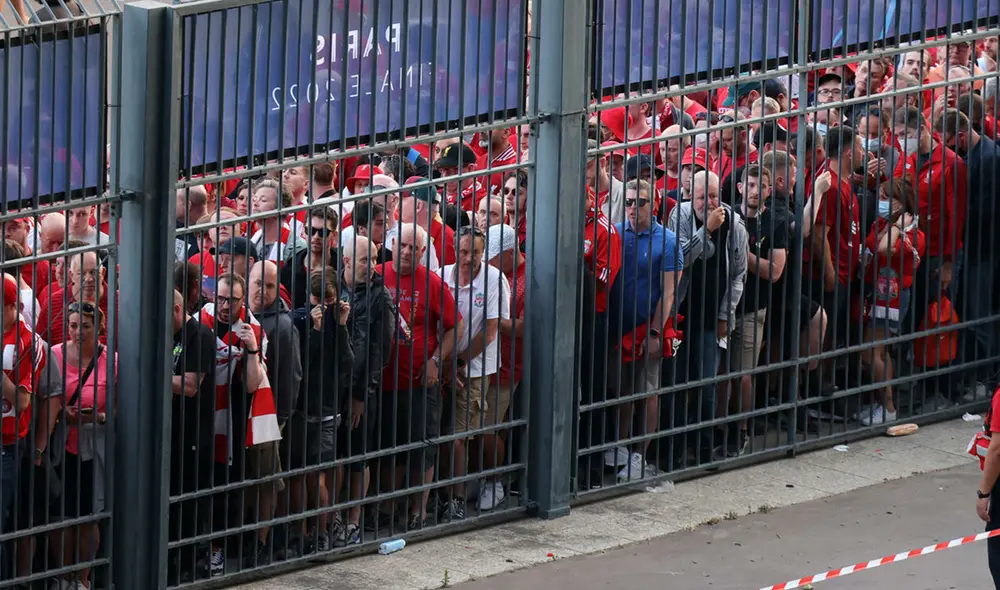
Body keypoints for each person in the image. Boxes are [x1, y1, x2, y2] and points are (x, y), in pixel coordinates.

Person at [378, 223, 462, 530]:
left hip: (420, 383)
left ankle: (419, 510)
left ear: (424, 252)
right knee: (387, 448)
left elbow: (456, 325)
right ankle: (387, 507)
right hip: (384, 382)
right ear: (392, 244)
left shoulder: (433, 283)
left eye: (414, 248)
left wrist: (436, 360)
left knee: (423, 447)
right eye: (402, 245)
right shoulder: (377, 274)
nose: (407, 252)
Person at [199, 273, 281, 573]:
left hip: (234, 420)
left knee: (228, 486)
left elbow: (251, 385)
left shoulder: (253, 329)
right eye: (220, 298)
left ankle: (218, 550)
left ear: (241, 300)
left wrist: (251, 350)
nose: (224, 305)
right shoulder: (201, 319)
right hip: (199, 414)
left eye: (231, 300)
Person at [667, 170, 747, 464]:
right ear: (691, 195)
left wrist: (727, 314)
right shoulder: (680, 214)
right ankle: (673, 452)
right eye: (703, 197)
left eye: (713, 196)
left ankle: (703, 451)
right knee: (675, 385)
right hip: (681, 314)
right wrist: (707, 231)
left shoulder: (735, 223)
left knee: (707, 386)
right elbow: (679, 257)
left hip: (712, 318)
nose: (709, 203)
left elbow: (739, 274)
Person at [607, 179, 681, 480]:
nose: (633, 208)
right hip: (617, 327)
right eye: (629, 202)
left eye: (641, 202)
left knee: (647, 392)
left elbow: (669, 292)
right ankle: (619, 447)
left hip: (647, 326)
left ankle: (640, 454)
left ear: (655, 205)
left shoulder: (668, 240)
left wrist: (654, 332)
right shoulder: (616, 233)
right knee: (620, 390)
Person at [439, 226, 509, 520]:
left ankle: (455, 498)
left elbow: (490, 331)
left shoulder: (494, 279)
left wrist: (458, 363)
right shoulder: (442, 274)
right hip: (442, 364)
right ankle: (440, 493)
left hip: (476, 368)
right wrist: (442, 363)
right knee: (439, 432)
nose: (469, 258)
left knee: (458, 435)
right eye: (464, 252)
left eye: (476, 253)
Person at [48, 302, 115, 590]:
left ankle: (83, 580)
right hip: (59, 446)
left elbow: (122, 408)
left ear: (98, 327)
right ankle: (63, 578)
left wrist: (98, 417)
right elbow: (44, 400)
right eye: (73, 326)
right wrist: (62, 414)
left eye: (84, 326)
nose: (77, 332)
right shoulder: (54, 355)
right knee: (59, 517)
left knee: (90, 517)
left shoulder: (110, 360)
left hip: (94, 448)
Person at [286, 268, 353, 553]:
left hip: (328, 409)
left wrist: (340, 325)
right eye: (318, 300)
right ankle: (302, 532)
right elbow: (302, 366)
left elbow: (347, 363)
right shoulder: (298, 320)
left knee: (320, 474)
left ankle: (322, 530)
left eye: (328, 300)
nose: (322, 306)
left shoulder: (338, 320)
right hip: (301, 409)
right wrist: (313, 330)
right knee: (300, 474)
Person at [936, 108, 1000, 400]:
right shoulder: (975, 156)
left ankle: (989, 379)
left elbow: (987, 210)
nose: (947, 146)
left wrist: (955, 213)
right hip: (972, 248)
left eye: (949, 140)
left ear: (961, 134)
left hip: (984, 249)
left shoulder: (989, 158)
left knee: (979, 313)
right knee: (970, 312)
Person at [725, 164, 786, 456]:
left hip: (751, 309)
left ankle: (742, 431)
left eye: (760, 186)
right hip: (721, 307)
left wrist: (741, 252)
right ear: (739, 188)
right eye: (748, 185)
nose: (754, 191)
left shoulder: (774, 223)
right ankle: (716, 428)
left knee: (743, 374)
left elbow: (774, 271)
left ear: (768, 190)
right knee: (719, 372)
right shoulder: (726, 217)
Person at [339, 236, 394, 543]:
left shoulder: (380, 296)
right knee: (336, 455)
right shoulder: (335, 285)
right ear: (346, 261)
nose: (371, 266)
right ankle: (332, 516)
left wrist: (362, 394)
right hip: (334, 385)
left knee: (360, 455)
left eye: (373, 259)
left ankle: (354, 521)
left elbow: (380, 352)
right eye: (364, 260)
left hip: (362, 391)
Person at [857, 179, 924, 426]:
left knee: (873, 352)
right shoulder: (883, 223)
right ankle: (881, 402)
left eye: (886, 197)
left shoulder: (912, 234)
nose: (880, 201)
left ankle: (889, 408)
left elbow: (884, 247)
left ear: (901, 203)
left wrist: (897, 225)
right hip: (876, 294)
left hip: (892, 299)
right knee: (874, 352)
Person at [168, 289, 217, 584]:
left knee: (187, 505)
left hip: (192, 435)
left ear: (176, 309)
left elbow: (190, 385)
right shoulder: (168, 335)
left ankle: (184, 564)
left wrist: (149, 371)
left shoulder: (200, 336)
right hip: (169, 435)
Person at [484, 224, 523, 510]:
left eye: (494, 259)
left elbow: (524, 327)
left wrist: (493, 321)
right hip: (481, 361)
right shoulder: (494, 274)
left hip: (508, 364)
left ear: (510, 254)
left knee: (490, 427)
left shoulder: (527, 278)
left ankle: (494, 481)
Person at [280, 206, 339, 310]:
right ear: (303, 231)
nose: (316, 236)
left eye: (323, 232)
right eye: (311, 230)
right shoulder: (288, 271)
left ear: (334, 235)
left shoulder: (343, 267)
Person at [249, 179, 308, 264]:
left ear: (280, 207)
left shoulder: (297, 247)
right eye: (254, 199)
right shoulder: (253, 241)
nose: (255, 204)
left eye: (263, 200)